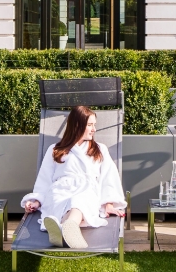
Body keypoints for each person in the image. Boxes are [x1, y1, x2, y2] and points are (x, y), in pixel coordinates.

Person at [21, 105, 126, 249]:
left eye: (94, 125)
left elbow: (109, 177)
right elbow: (44, 179)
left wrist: (108, 204)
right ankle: (68, 229)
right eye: (90, 125)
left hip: (87, 190)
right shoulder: (55, 150)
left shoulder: (100, 149)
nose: (94, 129)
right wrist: (37, 200)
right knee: (64, 203)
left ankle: (63, 227)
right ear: (77, 125)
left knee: (78, 200)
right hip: (59, 191)